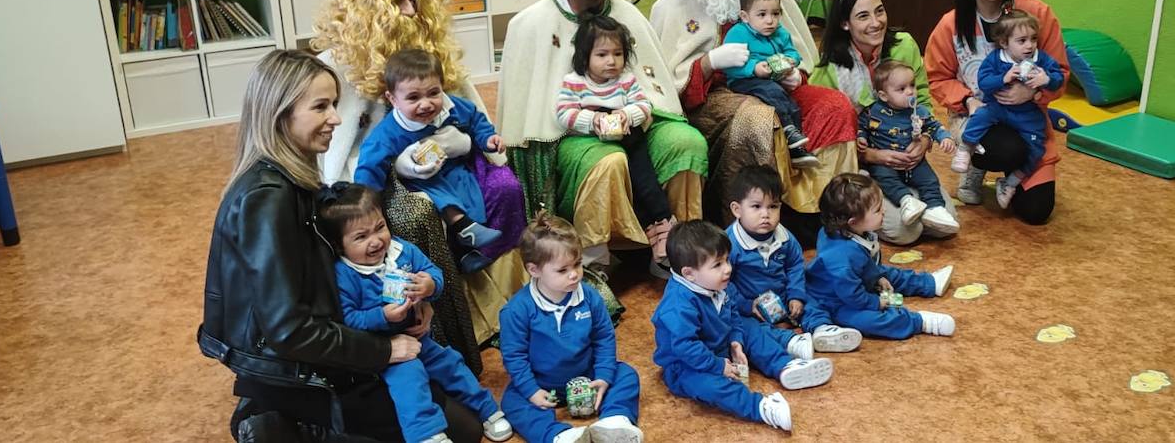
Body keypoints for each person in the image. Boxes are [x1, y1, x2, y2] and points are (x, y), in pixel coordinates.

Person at [199, 50, 482, 442]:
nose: (335, 117)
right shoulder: (267, 200)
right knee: (458, 430)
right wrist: (383, 351)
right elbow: (288, 331)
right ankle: (273, 415)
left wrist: (417, 302)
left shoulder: (296, 180)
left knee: (461, 424)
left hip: (326, 341)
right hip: (291, 366)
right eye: (321, 107)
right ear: (280, 114)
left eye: (333, 104)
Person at [312, 0, 527, 351]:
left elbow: (469, 110)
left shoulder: (430, 50)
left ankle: (503, 298)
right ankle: (452, 320)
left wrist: (468, 143)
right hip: (383, 173)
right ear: (368, 11)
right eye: (399, 2)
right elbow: (340, 153)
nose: (411, 11)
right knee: (417, 214)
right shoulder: (334, 67)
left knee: (505, 188)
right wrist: (390, 173)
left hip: (450, 156)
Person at [498, 0, 707, 276]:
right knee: (609, 161)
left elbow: (650, 90)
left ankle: (678, 247)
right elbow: (534, 113)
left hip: (633, 123)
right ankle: (597, 261)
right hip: (567, 134)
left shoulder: (628, 16)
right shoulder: (530, 24)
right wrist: (592, 121)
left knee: (687, 142)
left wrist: (631, 115)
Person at [652, 0, 857, 217]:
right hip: (714, 97)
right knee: (760, 117)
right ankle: (759, 216)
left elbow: (799, 52)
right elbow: (666, 85)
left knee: (834, 106)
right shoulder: (672, 7)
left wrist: (794, 73)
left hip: (774, 85)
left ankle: (832, 212)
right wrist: (709, 63)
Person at [320, 183, 513, 443]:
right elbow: (348, 318)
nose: (376, 241)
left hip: (421, 337)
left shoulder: (402, 250)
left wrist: (430, 286)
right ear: (340, 245)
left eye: (380, 227)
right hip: (383, 348)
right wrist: (383, 317)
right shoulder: (344, 274)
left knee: (452, 364)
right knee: (409, 381)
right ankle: (427, 434)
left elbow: (434, 273)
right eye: (361, 237)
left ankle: (488, 410)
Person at [925, 0, 1070, 224]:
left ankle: (1011, 179)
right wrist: (967, 99)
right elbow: (938, 77)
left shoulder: (1037, 14)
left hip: (1027, 118)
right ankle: (976, 169)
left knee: (1036, 211)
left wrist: (1033, 94)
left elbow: (1061, 73)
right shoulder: (951, 24)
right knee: (1005, 150)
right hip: (977, 115)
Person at [810, 0, 959, 244]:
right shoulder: (829, 68)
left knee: (944, 220)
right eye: (863, 16)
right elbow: (825, 135)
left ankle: (909, 195)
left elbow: (921, 98)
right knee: (905, 231)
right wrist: (873, 155)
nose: (876, 22)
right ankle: (896, 196)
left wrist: (924, 141)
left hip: (910, 157)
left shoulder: (904, 44)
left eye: (879, 11)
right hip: (861, 165)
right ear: (845, 23)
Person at [652, 220, 834, 433]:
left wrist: (736, 341)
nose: (728, 269)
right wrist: (718, 366)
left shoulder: (715, 283)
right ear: (689, 273)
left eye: (727, 260)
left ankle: (784, 365)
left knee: (750, 328)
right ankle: (760, 408)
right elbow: (685, 347)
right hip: (686, 365)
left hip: (719, 344)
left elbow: (733, 315)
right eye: (718, 264)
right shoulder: (677, 305)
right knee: (708, 386)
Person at [355, 49, 518, 272]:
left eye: (433, 93)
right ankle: (463, 229)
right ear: (392, 99)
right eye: (413, 98)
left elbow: (476, 119)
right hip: (421, 180)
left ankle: (479, 248)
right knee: (434, 191)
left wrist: (487, 138)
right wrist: (366, 201)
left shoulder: (454, 107)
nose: (426, 104)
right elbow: (369, 166)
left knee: (493, 186)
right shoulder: (387, 133)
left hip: (457, 167)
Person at [498, 214, 644, 443]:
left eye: (577, 264)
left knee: (626, 374)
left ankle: (615, 422)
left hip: (588, 376)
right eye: (562, 270)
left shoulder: (590, 296)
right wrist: (532, 392)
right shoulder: (516, 310)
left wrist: (604, 377)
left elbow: (604, 337)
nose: (574, 273)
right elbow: (514, 357)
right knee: (512, 401)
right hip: (543, 384)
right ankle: (560, 436)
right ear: (534, 270)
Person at [555, 13, 675, 265]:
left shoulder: (626, 80)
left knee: (643, 178)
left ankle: (663, 222)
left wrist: (626, 115)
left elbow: (644, 106)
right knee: (625, 176)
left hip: (629, 136)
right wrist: (592, 120)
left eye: (618, 54)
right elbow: (564, 113)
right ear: (584, 56)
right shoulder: (574, 82)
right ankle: (635, 236)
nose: (611, 61)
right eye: (602, 54)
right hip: (595, 139)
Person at [723, 165, 862, 354]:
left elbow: (795, 265)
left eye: (773, 206)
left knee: (811, 303)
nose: (766, 214)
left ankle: (823, 330)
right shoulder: (729, 244)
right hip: (751, 303)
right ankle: (792, 343)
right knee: (748, 327)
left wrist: (796, 295)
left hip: (784, 295)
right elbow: (724, 282)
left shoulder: (785, 237)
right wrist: (746, 305)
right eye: (756, 207)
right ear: (737, 209)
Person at [805, 174, 957, 341]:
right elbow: (852, 296)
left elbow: (867, 263)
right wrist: (875, 303)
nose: (883, 211)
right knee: (869, 321)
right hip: (835, 301)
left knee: (889, 274)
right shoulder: (841, 259)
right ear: (853, 221)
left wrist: (877, 278)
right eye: (877, 210)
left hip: (856, 280)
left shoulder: (852, 232)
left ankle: (929, 283)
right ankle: (919, 322)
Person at [950, 11, 1065, 207]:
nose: (1029, 45)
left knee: (1037, 147)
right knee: (981, 116)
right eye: (1022, 41)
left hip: (1027, 114)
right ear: (1004, 43)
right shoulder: (997, 58)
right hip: (999, 108)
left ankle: (1010, 182)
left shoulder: (1041, 58)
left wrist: (1046, 80)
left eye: (1033, 39)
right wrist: (1003, 78)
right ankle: (965, 148)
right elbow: (984, 82)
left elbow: (1058, 77)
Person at [720, 0, 819, 168]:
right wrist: (754, 68)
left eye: (775, 14)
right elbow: (729, 64)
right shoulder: (738, 33)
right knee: (774, 92)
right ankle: (789, 130)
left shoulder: (780, 32)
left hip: (774, 78)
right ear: (745, 16)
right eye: (762, 14)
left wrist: (791, 61)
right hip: (744, 80)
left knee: (792, 104)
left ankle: (796, 148)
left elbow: (793, 52)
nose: (770, 20)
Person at [858, 61, 959, 233]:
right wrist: (861, 138)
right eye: (901, 89)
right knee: (885, 178)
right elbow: (861, 126)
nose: (911, 91)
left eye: (912, 85)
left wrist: (945, 138)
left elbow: (933, 126)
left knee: (929, 180)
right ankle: (906, 200)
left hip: (914, 162)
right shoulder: (872, 112)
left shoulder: (919, 112)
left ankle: (935, 209)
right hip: (884, 164)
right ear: (883, 96)